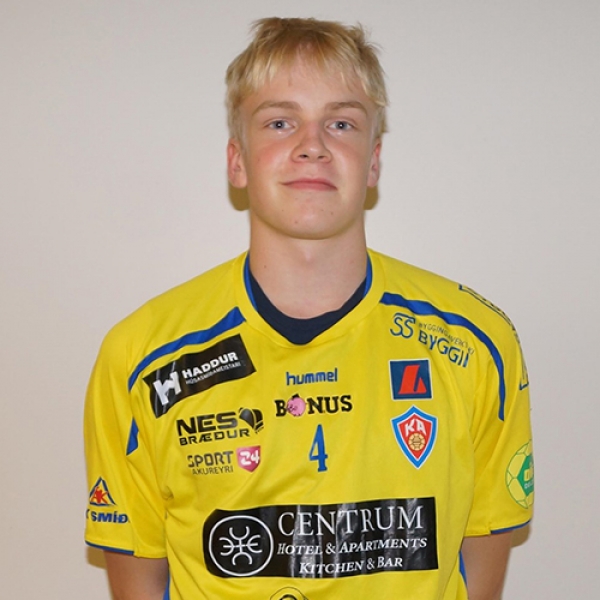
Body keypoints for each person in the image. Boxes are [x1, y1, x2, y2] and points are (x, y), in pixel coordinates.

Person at [84, 17, 533, 600]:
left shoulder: (474, 343)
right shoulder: (141, 355)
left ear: (373, 162)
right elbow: (139, 573)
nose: (312, 145)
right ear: (237, 161)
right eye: (280, 122)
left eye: (341, 123)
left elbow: (481, 563)